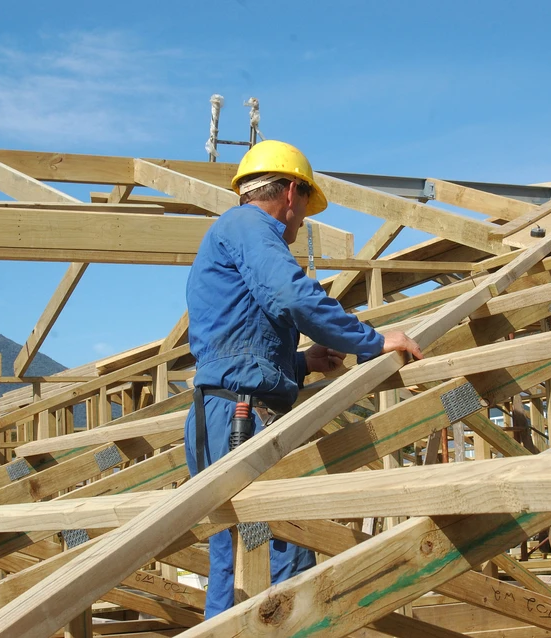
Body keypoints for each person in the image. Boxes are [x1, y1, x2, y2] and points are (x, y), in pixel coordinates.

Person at [183, 139, 423, 618]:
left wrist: (303, 363)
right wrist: (374, 341)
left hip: (226, 410)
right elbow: (292, 297)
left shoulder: (231, 233)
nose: (301, 222)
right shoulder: (253, 226)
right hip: (241, 418)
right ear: (291, 192)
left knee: (231, 566)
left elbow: (238, 345)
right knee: (283, 561)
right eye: (304, 209)